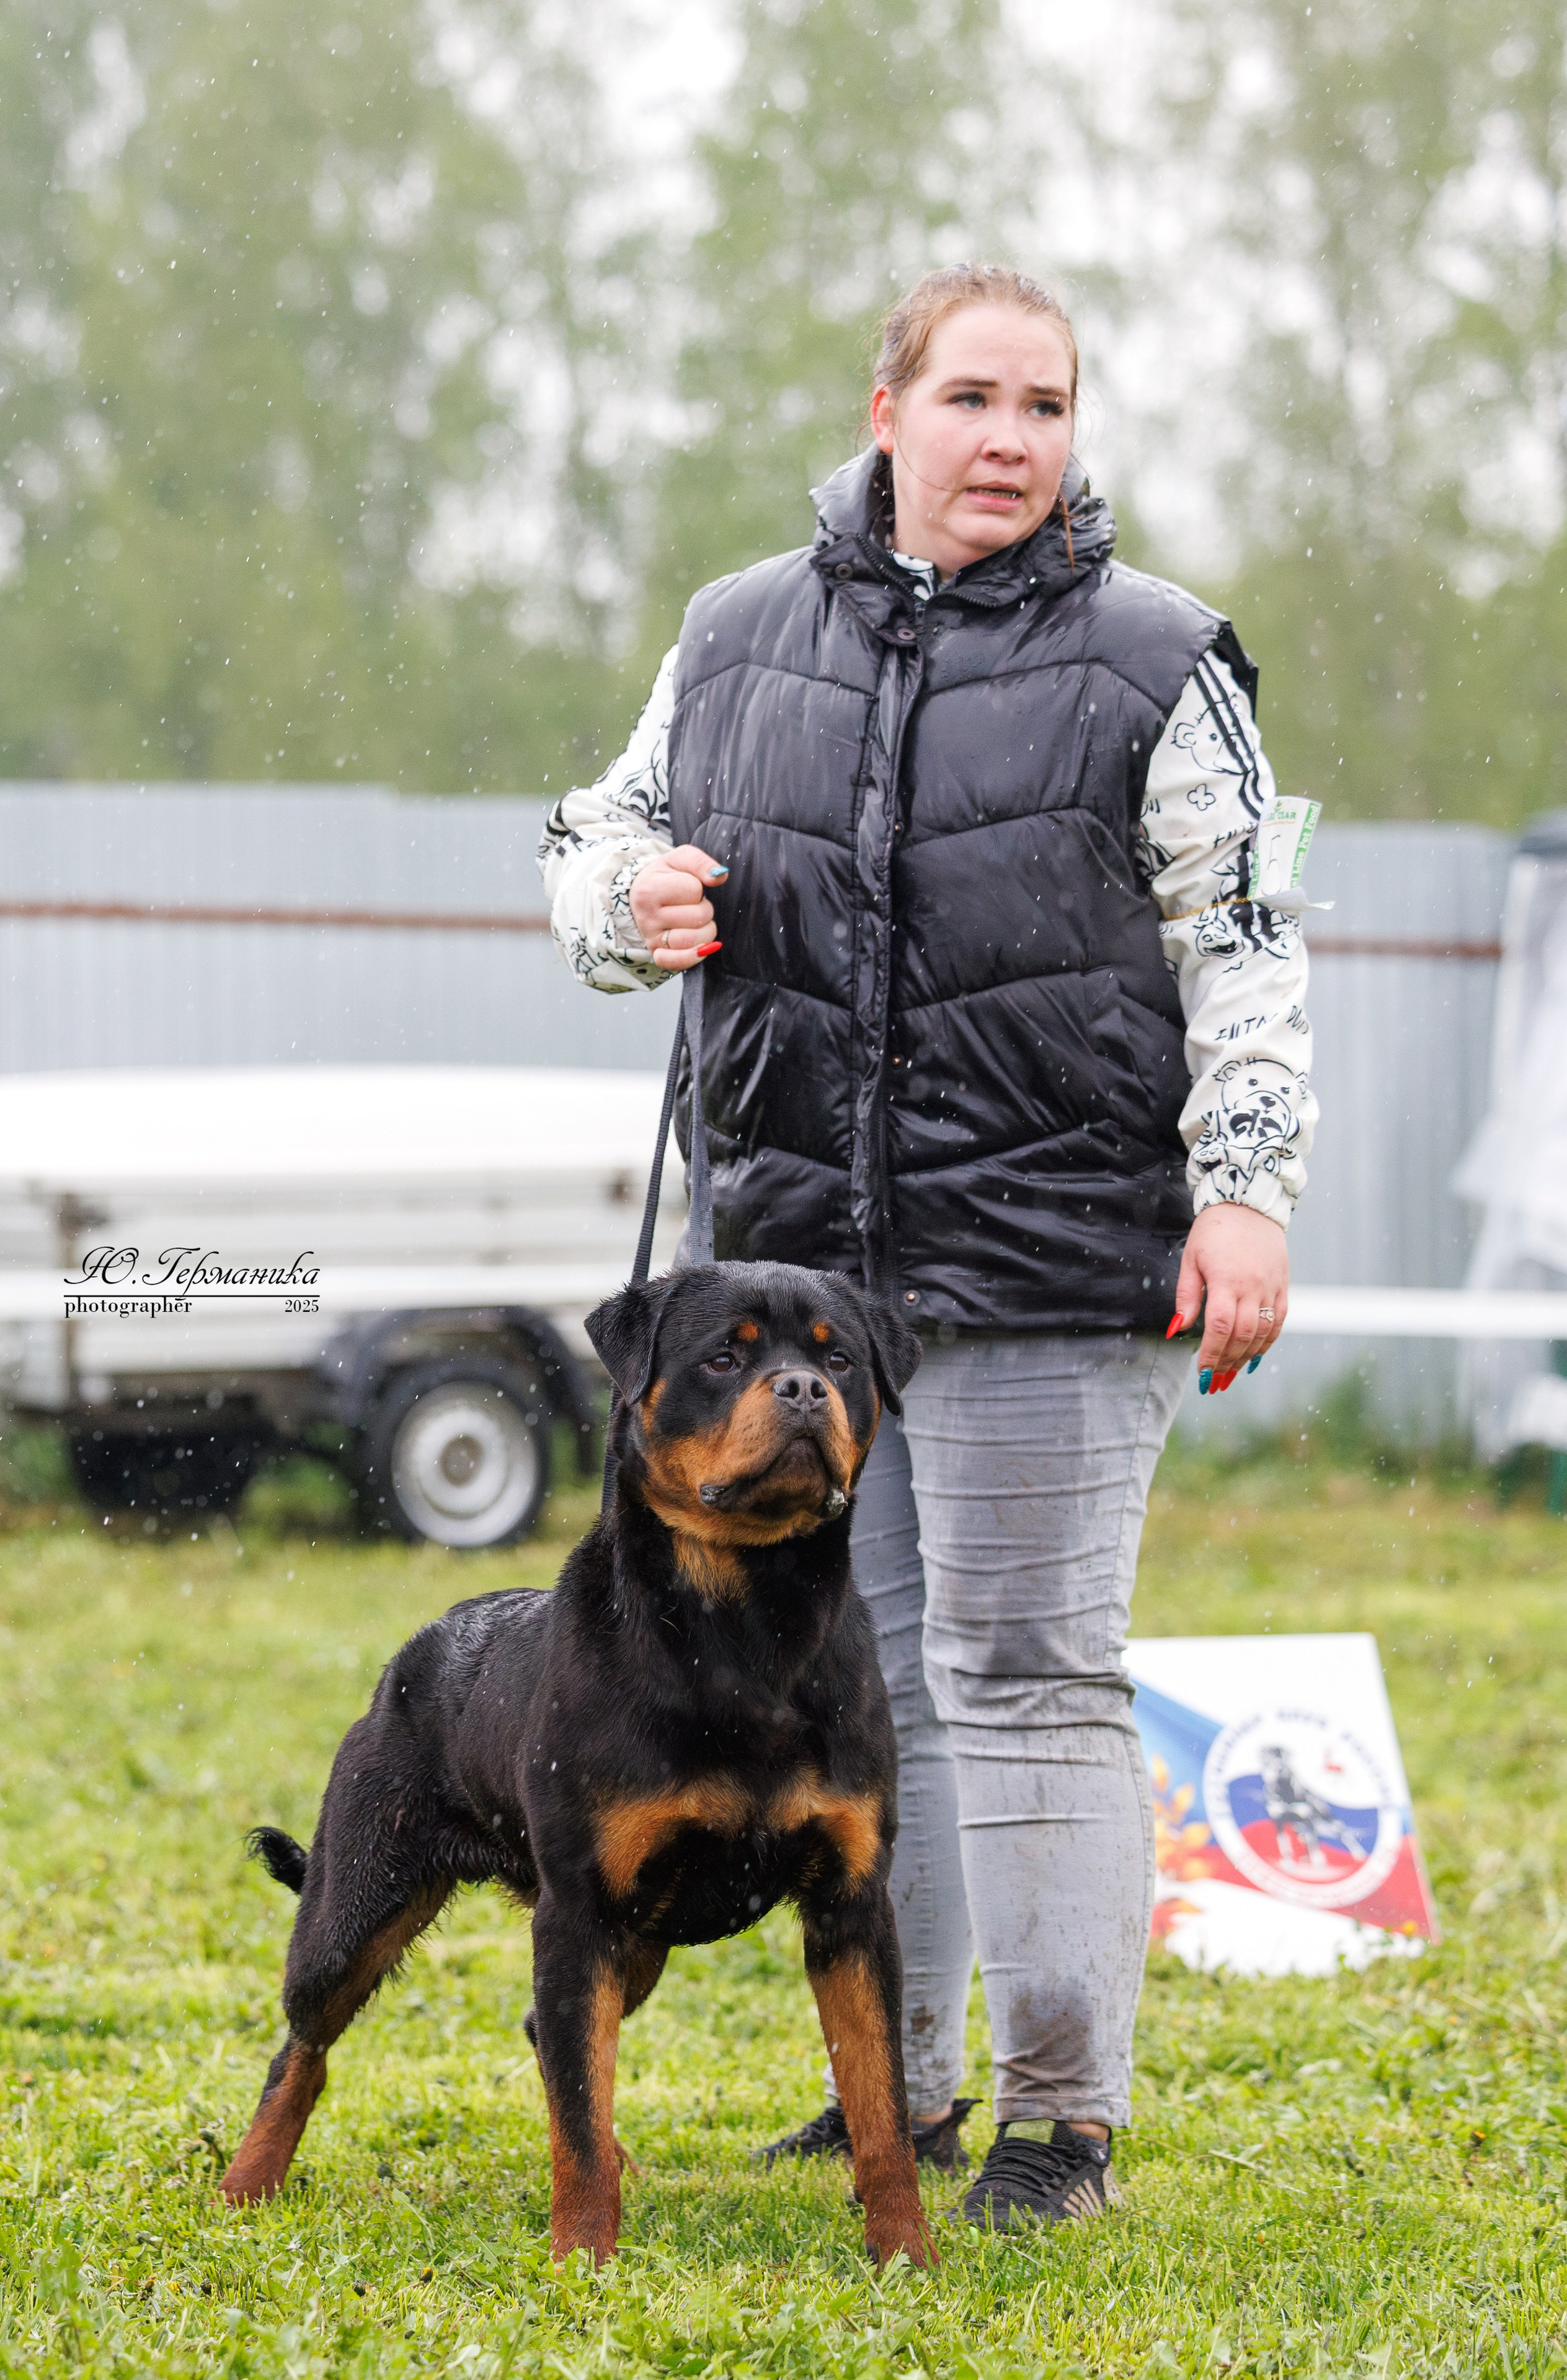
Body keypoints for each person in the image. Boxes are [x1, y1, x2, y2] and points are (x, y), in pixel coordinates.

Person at [539, 262, 1315, 2230]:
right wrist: (635, 894)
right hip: (811, 1285)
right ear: (885, 408)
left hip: (1071, 1254)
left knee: (1028, 1667)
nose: (1012, 442)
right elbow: (582, 846)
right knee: (874, 1691)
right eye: (974, 398)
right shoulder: (729, 638)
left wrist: (1248, 1193)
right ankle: (917, 2090)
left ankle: (1066, 2121)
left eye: (1048, 408)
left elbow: (1247, 944)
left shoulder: (1161, 656)